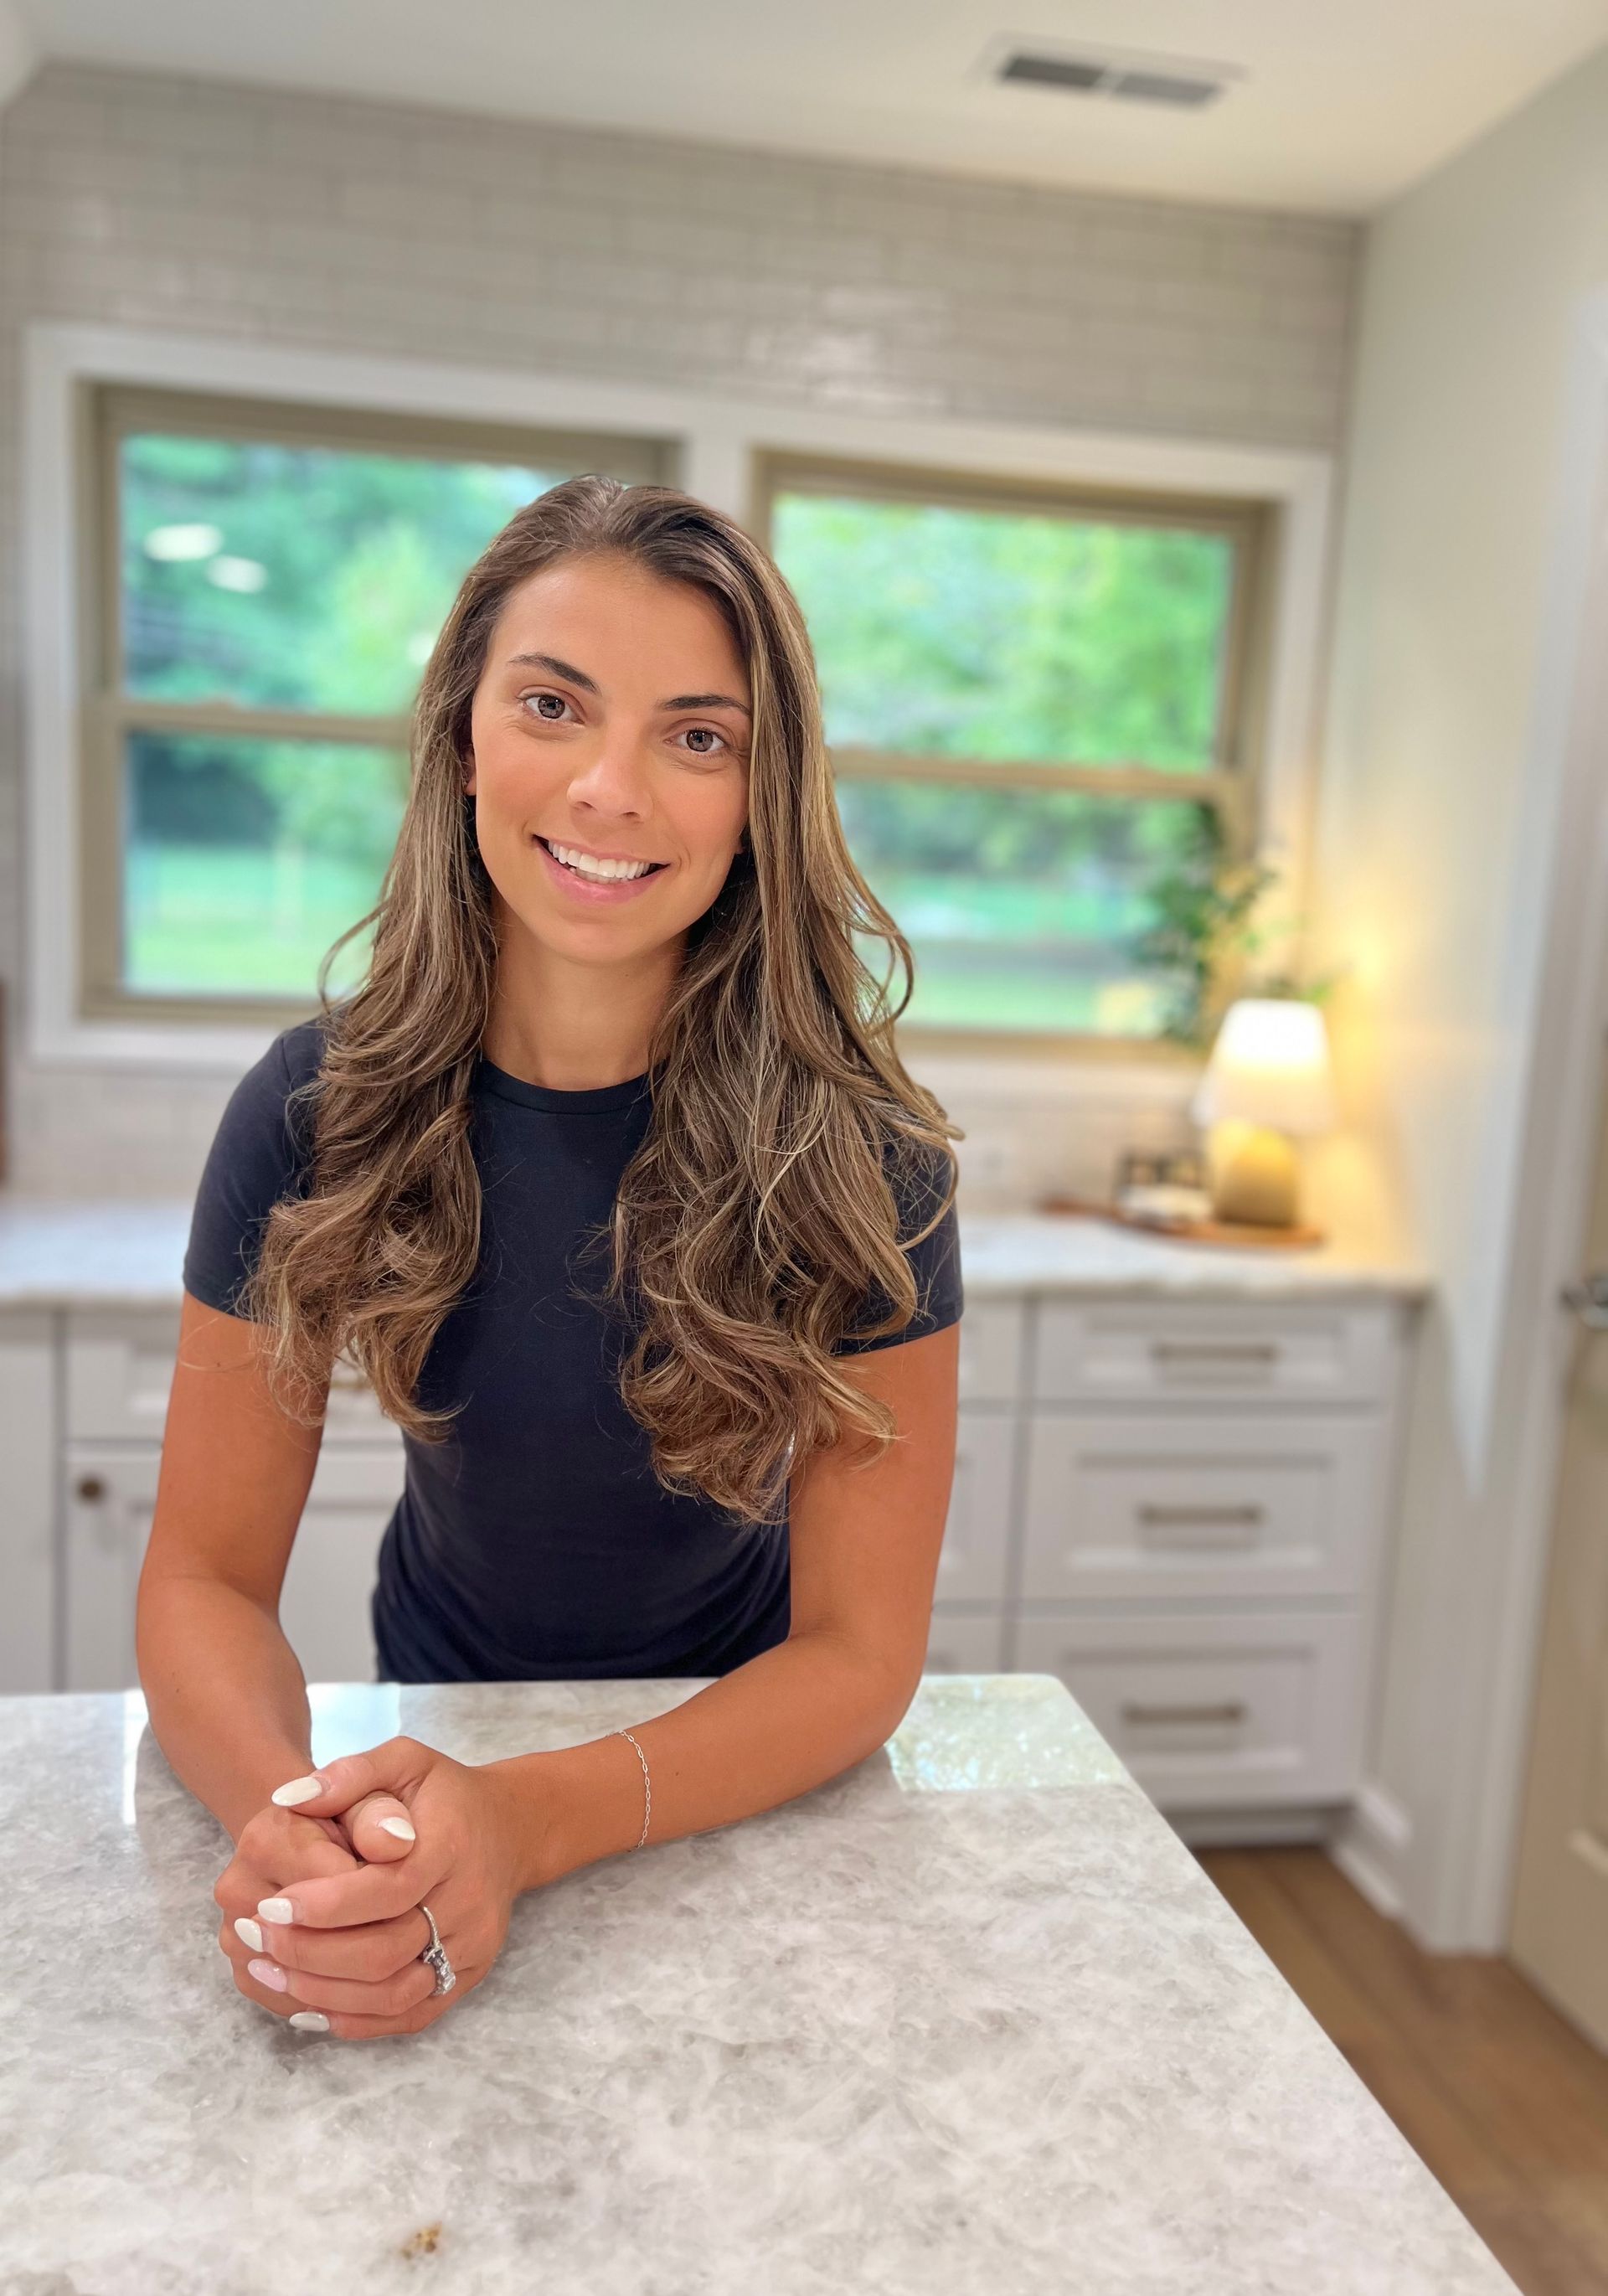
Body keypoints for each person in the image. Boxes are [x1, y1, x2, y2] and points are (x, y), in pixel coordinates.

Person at [137, 475, 964, 2043]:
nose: (610, 787)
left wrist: (523, 1822)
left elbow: (860, 1655)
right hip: (429, 1727)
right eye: (553, 703)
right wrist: (304, 1830)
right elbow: (201, 1575)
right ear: (464, 737)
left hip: (732, 1760)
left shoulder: (865, 1156)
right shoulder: (307, 1110)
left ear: (759, 791)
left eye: (696, 734)